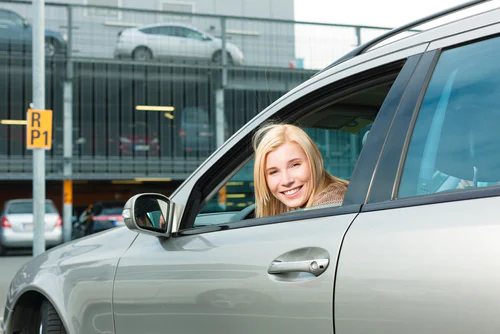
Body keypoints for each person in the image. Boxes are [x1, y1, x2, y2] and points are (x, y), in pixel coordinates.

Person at [253, 123, 349, 218]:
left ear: (315, 161)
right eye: (274, 172)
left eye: (295, 165)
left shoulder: (330, 205)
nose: (286, 181)